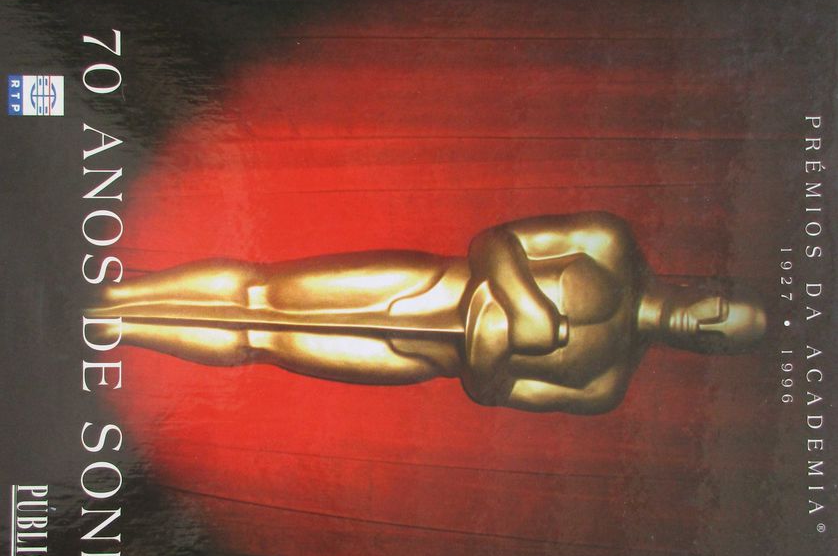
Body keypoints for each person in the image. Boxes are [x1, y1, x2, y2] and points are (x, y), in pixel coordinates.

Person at [87, 212, 766, 414]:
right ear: (712, 285)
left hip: (416, 358)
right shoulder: (609, 245)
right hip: (425, 283)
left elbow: (494, 392)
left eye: (720, 338)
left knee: (258, 342)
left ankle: (123, 330)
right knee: (262, 292)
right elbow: (495, 242)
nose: (704, 324)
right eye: (722, 309)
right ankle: (114, 296)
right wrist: (524, 308)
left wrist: (493, 345)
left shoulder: (605, 384)